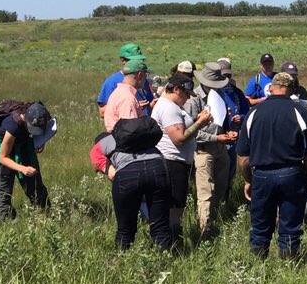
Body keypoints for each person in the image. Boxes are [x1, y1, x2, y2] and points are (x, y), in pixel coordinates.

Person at [236, 72, 307, 258]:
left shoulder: (254, 113)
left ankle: (259, 265)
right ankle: (288, 267)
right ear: (291, 89)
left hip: (262, 174)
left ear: (271, 88)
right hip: (292, 173)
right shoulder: (300, 112)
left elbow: (242, 155)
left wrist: (248, 179)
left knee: (260, 227)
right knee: (290, 227)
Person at [93, 117, 174, 250]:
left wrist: (108, 169)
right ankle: (164, 262)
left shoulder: (106, 141)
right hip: (158, 168)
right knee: (160, 226)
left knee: (125, 229)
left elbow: (95, 154)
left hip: (127, 173)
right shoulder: (144, 137)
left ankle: (123, 262)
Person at [153, 72, 212, 240]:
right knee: (174, 206)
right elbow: (179, 138)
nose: (187, 98)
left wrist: (197, 121)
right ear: (177, 89)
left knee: (177, 203)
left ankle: (171, 238)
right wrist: (199, 123)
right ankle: (171, 240)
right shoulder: (169, 108)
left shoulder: (173, 106)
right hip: (171, 163)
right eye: (186, 94)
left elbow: (182, 129)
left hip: (178, 162)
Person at [189, 62, 236, 237]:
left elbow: (220, 120)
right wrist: (217, 138)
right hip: (203, 150)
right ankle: (204, 230)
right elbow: (192, 131)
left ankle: (214, 219)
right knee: (205, 191)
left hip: (220, 148)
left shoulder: (220, 94)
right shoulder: (193, 98)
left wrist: (227, 132)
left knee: (221, 186)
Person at [0, 102, 51, 219]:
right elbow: (2, 157)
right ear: (25, 118)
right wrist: (23, 168)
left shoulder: (41, 115)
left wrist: (41, 142)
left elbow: (47, 128)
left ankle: (46, 216)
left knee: (35, 186)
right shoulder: (13, 125)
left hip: (24, 145)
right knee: (3, 190)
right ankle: (5, 221)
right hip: (2, 150)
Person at [97, 43, 156, 118]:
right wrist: (133, 106)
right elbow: (102, 112)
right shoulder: (111, 82)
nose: (138, 63)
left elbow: (148, 107)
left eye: (140, 60)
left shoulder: (143, 79)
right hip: (124, 128)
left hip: (144, 126)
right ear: (122, 60)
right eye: (133, 60)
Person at [218, 57, 249, 200]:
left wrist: (241, 117)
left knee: (230, 171)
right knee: (218, 173)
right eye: (224, 76)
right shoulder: (215, 93)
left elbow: (247, 111)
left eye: (229, 75)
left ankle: (226, 197)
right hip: (219, 138)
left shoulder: (237, 93)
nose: (227, 78)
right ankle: (219, 200)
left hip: (234, 137)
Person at [103, 56, 149, 132]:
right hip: (123, 142)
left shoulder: (118, 92)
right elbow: (131, 131)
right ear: (140, 75)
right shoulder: (127, 98)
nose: (146, 79)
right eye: (145, 75)